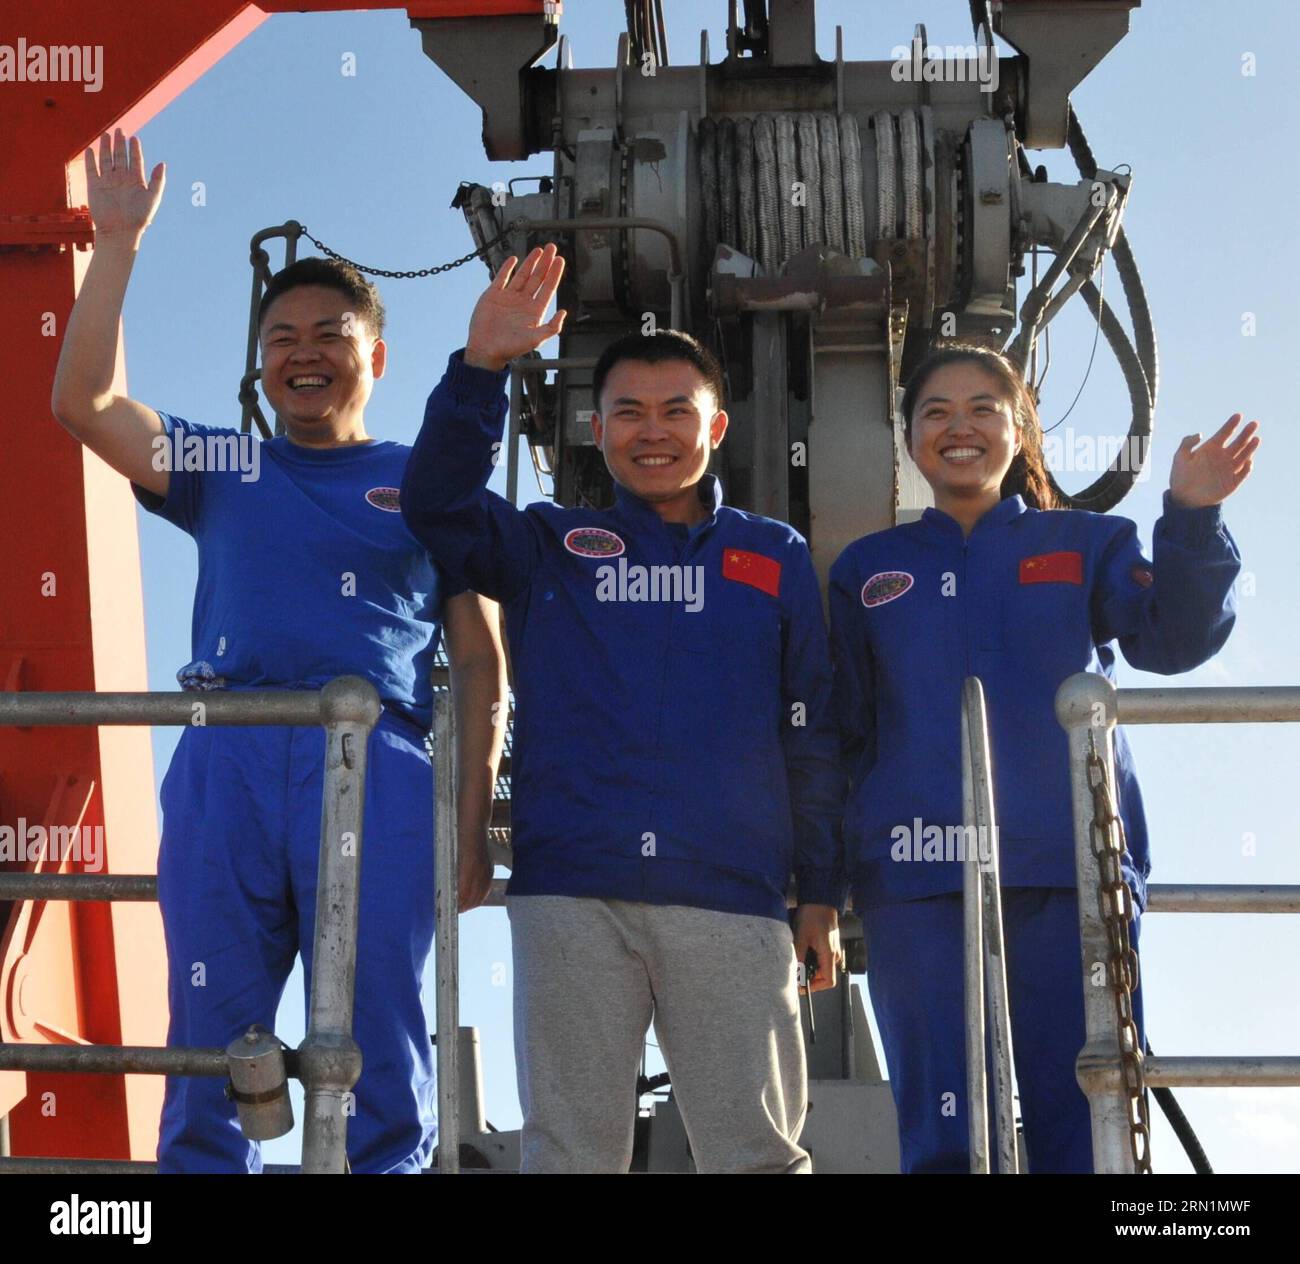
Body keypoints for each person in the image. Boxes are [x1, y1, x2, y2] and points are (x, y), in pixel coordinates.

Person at [49, 129, 507, 1173]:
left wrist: (470, 819)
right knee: (214, 1042)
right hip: (228, 756)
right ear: (260, 363)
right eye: (280, 336)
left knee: (384, 1039)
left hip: (379, 768)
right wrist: (114, 245)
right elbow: (83, 406)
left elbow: (480, 659)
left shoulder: (431, 482)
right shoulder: (224, 463)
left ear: (376, 355)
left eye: (330, 332)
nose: (304, 350)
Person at [400, 244, 846, 1173]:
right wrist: (480, 368)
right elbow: (435, 506)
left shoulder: (774, 555)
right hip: (571, 891)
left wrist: (820, 893)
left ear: (716, 427)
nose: (654, 432)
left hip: (734, 895)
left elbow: (811, 725)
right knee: (569, 1155)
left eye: (677, 411)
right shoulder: (547, 544)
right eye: (628, 413)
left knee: (759, 1155)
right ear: (595, 430)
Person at [828, 343, 1258, 1173]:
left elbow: (1172, 638)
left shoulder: (1087, 543)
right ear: (908, 435)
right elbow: (841, 731)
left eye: (983, 408)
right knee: (945, 1131)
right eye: (936, 412)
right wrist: (824, 880)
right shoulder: (868, 571)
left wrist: (1193, 520)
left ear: (1018, 424)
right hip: (918, 880)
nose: (960, 428)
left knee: (1082, 1117)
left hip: (1067, 872)